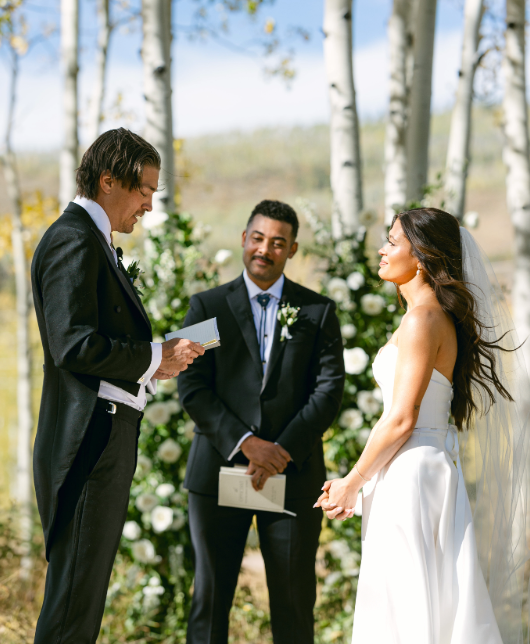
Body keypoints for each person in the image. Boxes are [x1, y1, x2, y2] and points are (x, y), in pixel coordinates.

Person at [315, 207, 530, 644]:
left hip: (412, 473)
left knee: (407, 603)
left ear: (423, 256)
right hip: (416, 468)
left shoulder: (422, 319)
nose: (381, 250)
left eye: (392, 242)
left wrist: (353, 482)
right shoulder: (424, 316)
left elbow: (400, 417)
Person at [32, 128, 205, 644]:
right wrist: (154, 356)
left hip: (105, 437)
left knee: (82, 601)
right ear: (109, 181)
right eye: (144, 190)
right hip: (89, 444)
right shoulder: (72, 238)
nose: (149, 205)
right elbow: (73, 344)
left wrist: (159, 363)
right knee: (71, 607)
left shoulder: (93, 242)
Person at [178, 199, 345, 644]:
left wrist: (280, 451)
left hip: (294, 475)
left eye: (277, 243)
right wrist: (249, 444)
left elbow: (328, 391)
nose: (264, 250)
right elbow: (190, 387)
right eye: (257, 238)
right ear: (243, 239)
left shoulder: (318, 311)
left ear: (292, 250)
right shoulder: (205, 308)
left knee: (293, 603)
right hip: (217, 474)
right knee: (209, 602)